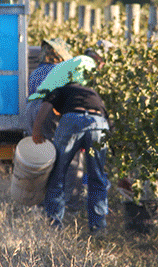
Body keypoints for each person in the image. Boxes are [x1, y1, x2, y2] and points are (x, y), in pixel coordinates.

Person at [31, 41, 112, 232]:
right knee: (97, 177)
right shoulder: (93, 93)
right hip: (99, 123)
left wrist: (37, 129)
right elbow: (107, 119)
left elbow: (46, 104)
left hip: (72, 120)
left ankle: (54, 225)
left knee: (58, 173)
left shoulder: (63, 86)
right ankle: (98, 227)